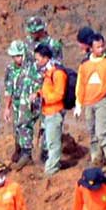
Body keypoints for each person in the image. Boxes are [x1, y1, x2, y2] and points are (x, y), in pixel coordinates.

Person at [75, 30, 106, 169]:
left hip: (103, 100)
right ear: (91, 48)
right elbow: (81, 84)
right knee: (92, 132)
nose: (101, 49)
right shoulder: (84, 64)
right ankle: (96, 159)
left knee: (102, 131)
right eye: (98, 47)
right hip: (88, 102)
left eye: (102, 46)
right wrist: (78, 103)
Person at [5, 41, 43, 169]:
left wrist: (35, 96)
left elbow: (40, 84)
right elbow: (8, 89)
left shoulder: (33, 67)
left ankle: (27, 154)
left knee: (25, 125)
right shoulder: (10, 69)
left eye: (18, 56)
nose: (16, 59)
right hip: (16, 103)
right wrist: (7, 107)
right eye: (14, 56)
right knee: (17, 127)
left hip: (29, 102)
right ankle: (20, 149)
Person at [36, 41, 70, 174]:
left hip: (54, 112)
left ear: (45, 58)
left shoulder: (57, 73)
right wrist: (38, 94)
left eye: (38, 59)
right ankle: (52, 165)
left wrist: (44, 98)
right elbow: (48, 90)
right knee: (50, 141)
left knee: (53, 142)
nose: (37, 62)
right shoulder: (48, 72)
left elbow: (59, 94)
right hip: (48, 112)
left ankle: (52, 169)